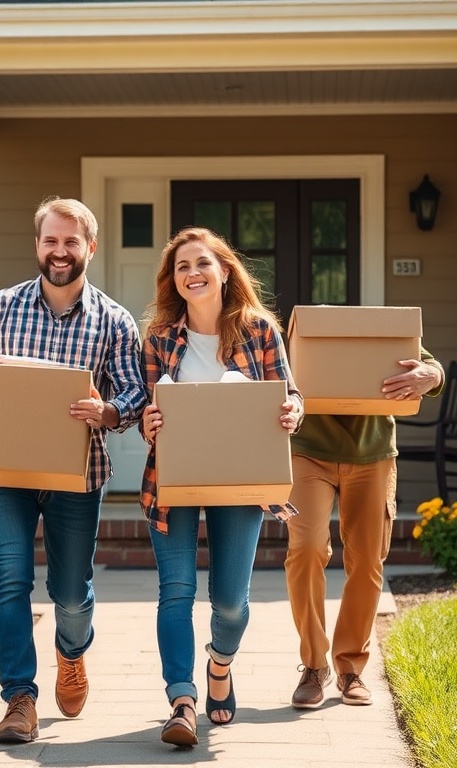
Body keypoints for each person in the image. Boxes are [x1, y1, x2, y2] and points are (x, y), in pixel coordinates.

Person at [0, 197, 147, 744]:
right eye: (50, 241)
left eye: (70, 242)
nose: (59, 252)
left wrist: (107, 409)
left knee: (70, 590)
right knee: (11, 581)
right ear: (37, 245)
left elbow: (134, 390)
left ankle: (71, 652)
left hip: (76, 472)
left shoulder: (114, 320)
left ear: (89, 247)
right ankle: (19, 698)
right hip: (8, 470)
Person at [139, 227, 304, 747]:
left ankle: (219, 664)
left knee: (231, 602)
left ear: (225, 270)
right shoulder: (161, 339)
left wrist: (291, 410)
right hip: (177, 477)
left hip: (240, 477)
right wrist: (149, 423)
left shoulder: (258, 331)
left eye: (203, 263)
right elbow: (151, 409)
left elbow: (290, 396)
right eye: (182, 266)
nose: (193, 273)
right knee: (176, 591)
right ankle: (182, 702)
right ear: (174, 281)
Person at [285, 353, 443, 708]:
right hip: (309, 450)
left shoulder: (383, 334)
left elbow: (430, 365)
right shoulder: (297, 334)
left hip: (373, 453)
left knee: (368, 559)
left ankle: (350, 668)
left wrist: (430, 376)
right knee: (306, 548)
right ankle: (314, 666)